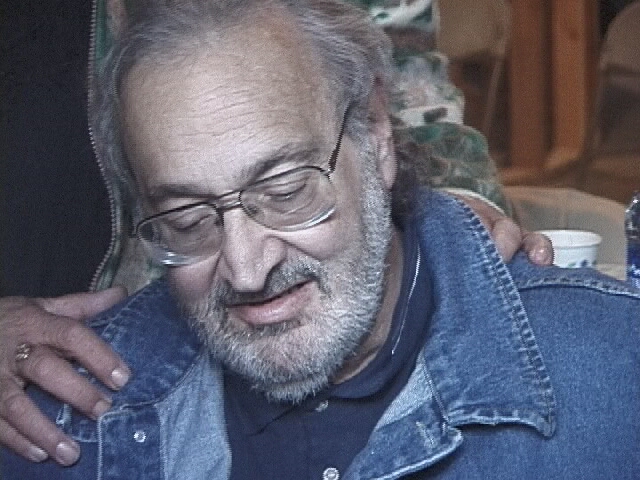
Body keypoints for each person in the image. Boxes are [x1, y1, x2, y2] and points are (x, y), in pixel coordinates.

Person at [2, 0, 639, 478]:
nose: (246, 270)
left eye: (286, 191)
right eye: (189, 219)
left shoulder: (615, 376)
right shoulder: (58, 427)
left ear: (378, 136)